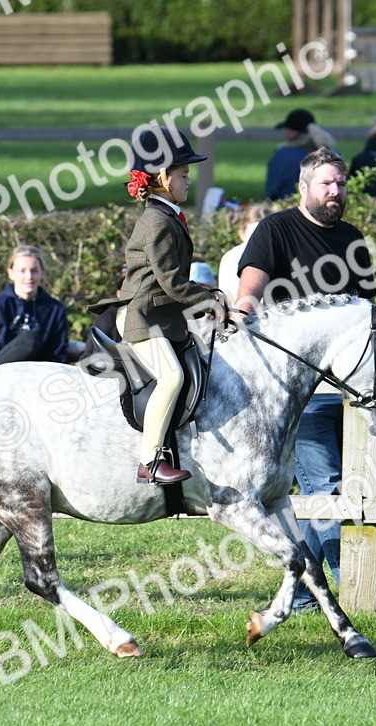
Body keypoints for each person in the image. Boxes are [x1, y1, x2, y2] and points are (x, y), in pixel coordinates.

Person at [236, 146, 376, 613]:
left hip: (351, 389)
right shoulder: (275, 229)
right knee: (328, 487)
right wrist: (243, 311)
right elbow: (251, 287)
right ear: (304, 187)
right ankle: (354, 588)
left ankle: (299, 594)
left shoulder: (353, 238)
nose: (335, 191)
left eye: (340, 183)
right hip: (297, 391)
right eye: (326, 183)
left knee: (341, 487)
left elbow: (366, 315)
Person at [122, 126, 225, 485]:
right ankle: (149, 461)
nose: (188, 181)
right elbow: (170, 280)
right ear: (162, 177)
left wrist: (209, 292)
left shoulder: (166, 216)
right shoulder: (157, 222)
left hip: (161, 315)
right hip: (142, 317)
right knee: (173, 376)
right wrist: (208, 300)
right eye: (183, 175)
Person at [0, 244, 70, 368]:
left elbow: (58, 356)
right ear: (11, 273)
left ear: (42, 272)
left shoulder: (55, 309)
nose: (29, 276)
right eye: (22, 271)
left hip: (35, 377)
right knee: (29, 340)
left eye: (34, 270)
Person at [265, 109, 339, 201]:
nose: (286, 134)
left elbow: (272, 191)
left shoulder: (283, 155)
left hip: (287, 206)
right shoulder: (333, 153)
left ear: (293, 132)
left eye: (288, 130)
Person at [217, 204, 270, 299]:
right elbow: (232, 300)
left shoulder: (282, 254)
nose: (259, 244)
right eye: (253, 239)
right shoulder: (232, 258)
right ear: (242, 234)